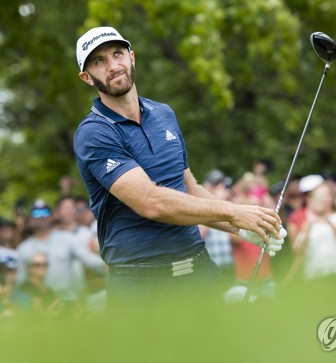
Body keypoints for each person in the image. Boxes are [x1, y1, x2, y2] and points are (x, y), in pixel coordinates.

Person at [72, 27, 285, 307]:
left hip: (199, 272)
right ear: (87, 77)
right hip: (142, 285)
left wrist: (244, 228)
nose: (113, 65)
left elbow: (189, 188)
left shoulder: (163, 114)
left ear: (132, 57)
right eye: (99, 61)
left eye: (117, 54)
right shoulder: (94, 133)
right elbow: (152, 202)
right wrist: (235, 213)